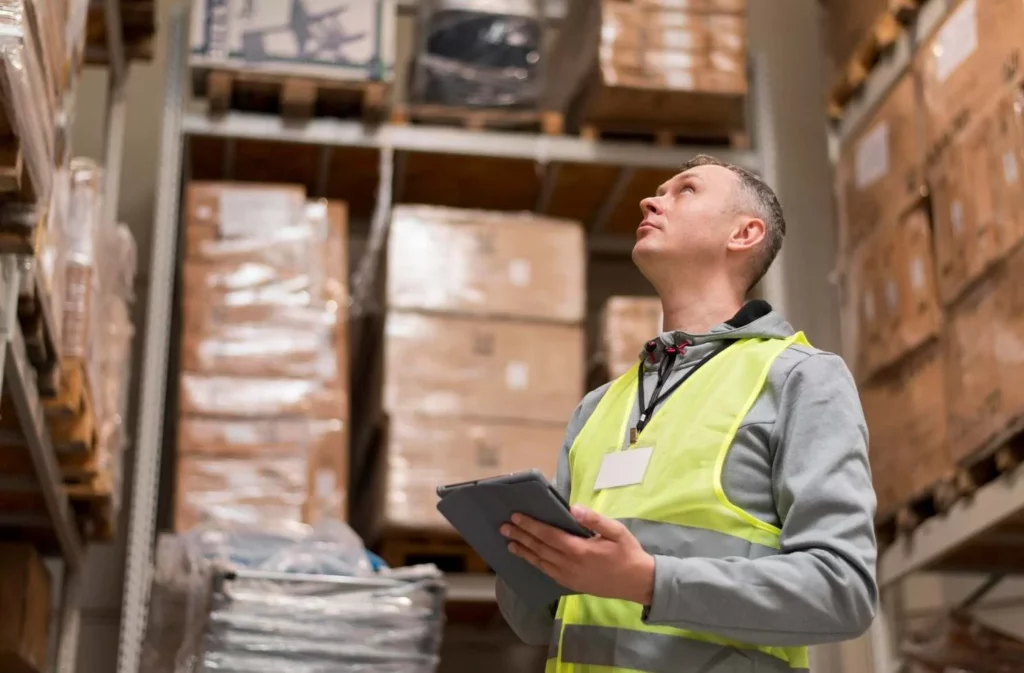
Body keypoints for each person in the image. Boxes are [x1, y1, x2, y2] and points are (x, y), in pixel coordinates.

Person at [495, 155, 878, 672]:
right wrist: (524, 557)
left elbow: (843, 592)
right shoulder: (597, 408)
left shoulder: (798, 379)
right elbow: (538, 621)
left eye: (686, 190)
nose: (651, 201)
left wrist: (649, 581)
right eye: (659, 190)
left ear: (744, 233)